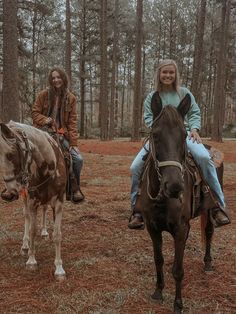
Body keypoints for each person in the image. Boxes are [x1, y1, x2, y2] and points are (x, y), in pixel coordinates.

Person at [128, 59, 230, 229]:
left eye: (171, 72)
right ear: (159, 75)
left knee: (204, 157)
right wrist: (157, 127)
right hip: (160, 137)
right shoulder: (152, 97)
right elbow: (148, 116)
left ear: (176, 75)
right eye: (164, 72)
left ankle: (216, 204)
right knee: (135, 167)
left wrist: (195, 129)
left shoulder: (184, 93)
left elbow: (194, 112)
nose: (168, 75)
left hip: (184, 135)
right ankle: (136, 208)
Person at [32, 67, 84, 203]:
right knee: (28, 154)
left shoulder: (71, 98)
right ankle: (24, 185)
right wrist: (46, 120)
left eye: (58, 77)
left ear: (63, 79)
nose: (56, 80)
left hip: (61, 134)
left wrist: (73, 143)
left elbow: (72, 123)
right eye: (53, 78)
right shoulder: (43, 95)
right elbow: (34, 113)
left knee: (78, 159)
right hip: (42, 133)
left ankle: (73, 189)